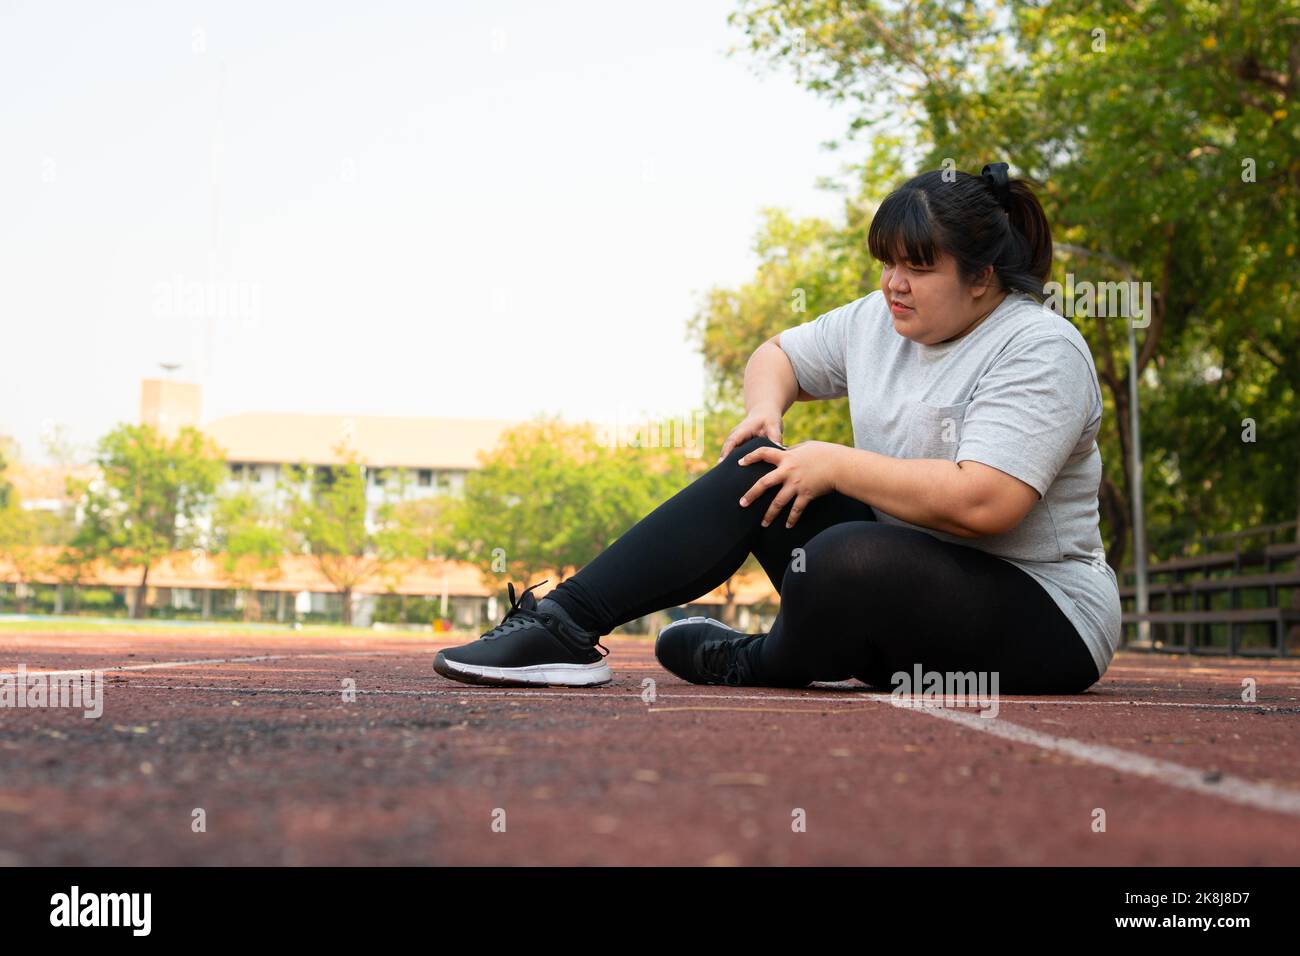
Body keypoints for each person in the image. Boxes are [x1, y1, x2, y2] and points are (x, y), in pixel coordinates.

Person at [433, 162, 1121, 695]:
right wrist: (766, 412)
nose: (893, 283)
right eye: (886, 262)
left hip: (1045, 617)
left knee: (840, 557)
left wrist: (835, 464)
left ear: (983, 277)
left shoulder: (1038, 347)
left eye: (918, 266)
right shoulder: (879, 320)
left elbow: (988, 502)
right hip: (900, 596)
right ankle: (562, 624)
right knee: (762, 467)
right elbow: (779, 355)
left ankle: (754, 658)